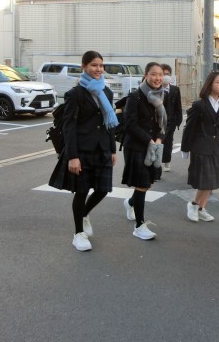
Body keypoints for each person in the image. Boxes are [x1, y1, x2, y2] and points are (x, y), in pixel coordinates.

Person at [48, 50, 118, 252]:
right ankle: (78, 233)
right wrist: (73, 156)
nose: (98, 69)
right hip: (82, 150)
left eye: (101, 65)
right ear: (84, 67)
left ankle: (84, 213)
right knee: (81, 191)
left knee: (103, 189)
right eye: (94, 65)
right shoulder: (75, 94)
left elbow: (109, 124)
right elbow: (69, 126)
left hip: (102, 148)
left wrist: (113, 149)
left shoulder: (106, 92)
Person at [121, 62, 166, 240]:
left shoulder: (161, 95)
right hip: (137, 146)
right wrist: (149, 140)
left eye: (160, 74)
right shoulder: (135, 97)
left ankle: (130, 202)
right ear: (146, 75)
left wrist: (159, 138)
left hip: (155, 145)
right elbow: (129, 124)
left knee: (147, 183)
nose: (157, 78)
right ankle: (139, 226)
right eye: (153, 74)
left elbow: (164, 123)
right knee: (142, 184)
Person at [181, 71, 219, 222]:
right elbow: (189, 127)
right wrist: (185, 148)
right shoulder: (199, 105)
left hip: (215, 148)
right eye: (218, 82)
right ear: (210, 84)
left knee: (212, 182)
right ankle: (193, 204)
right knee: (205, 181)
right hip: (200, 147)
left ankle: (201, 208)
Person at [160, 64, 182, 173]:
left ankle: (167, 162)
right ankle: (156, 165)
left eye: (167, 74)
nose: (165, 76)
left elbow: (178, 106)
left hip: (171, 120)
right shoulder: (156, 89)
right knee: (158, 142)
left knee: (168, 142)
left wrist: (178, 120)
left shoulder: (175, 89)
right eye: (163, 74)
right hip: (158, 120)